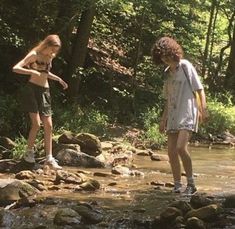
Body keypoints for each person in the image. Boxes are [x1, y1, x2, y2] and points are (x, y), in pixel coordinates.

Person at [151, 36, 208, 195]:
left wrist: (204, 109)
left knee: (181, 147)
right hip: (173, 115)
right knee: (171, 151)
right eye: (161, 57)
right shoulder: (167, 74)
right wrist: (163, 120)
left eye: (166, 55)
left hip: (188, 112)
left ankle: (191, 183)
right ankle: (177, 184)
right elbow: (168, 98)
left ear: (172, 52)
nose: (164, 59)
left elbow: (199, 89)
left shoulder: (186, 66)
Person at [12, 34, 68, 170]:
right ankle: (28, 154)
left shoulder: (50, 57)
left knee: (48, 125)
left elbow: (45, 73)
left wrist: (59, 79)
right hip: (32, 90)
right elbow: (16, 68)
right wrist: (31, 72)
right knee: (36, 124)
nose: (53, 52)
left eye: (55, 50)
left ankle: (49, 158)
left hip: (45, 91)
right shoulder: (34, 54)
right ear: (47, 45)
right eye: (52, 49)